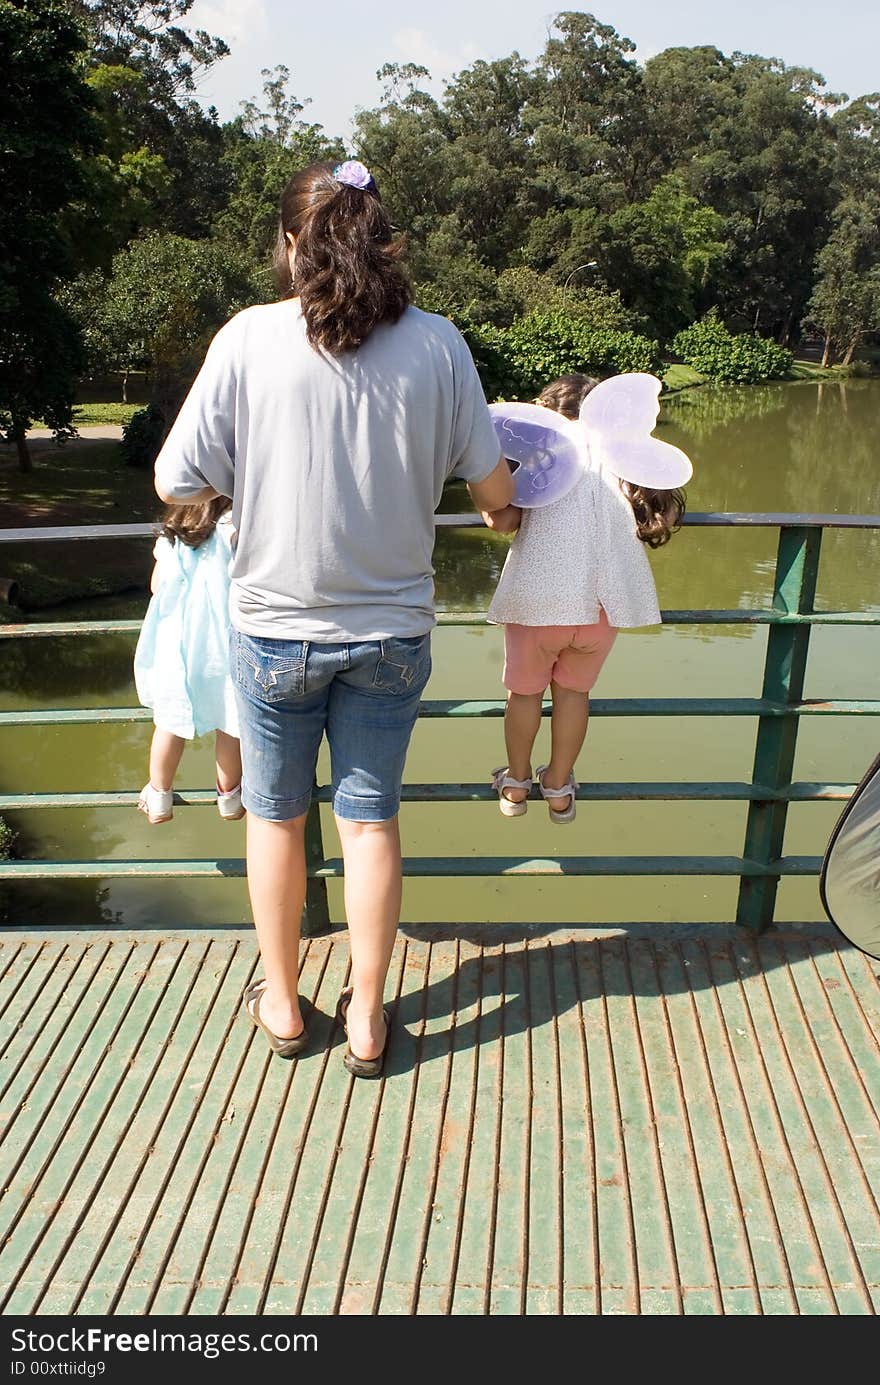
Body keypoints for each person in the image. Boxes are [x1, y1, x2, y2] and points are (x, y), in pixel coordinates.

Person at [152, 159, 512, 1074]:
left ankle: (280, 1002)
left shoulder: (246, 339)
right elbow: (494, 485)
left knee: (275, 818)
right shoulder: (437, 344)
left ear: (288, 244)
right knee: (370, 821)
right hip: (392, 632)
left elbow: (173, 479)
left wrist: (256, 480)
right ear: (382, 242)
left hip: (274, 627)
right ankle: (366, 1013)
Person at [483, 372, 685, 823]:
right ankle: (557, 787)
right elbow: (665, 508)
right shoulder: (623, 457)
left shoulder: (545, 455)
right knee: (574, 695)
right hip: (601, 608)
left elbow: (502, 521)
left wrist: (487, 500)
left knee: (524, 694)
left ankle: (515, 786)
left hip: (539, 603)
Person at [134, 496, 244, 825]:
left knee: (169, 721)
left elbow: (156, 585)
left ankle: (159, 795)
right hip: (220, 643)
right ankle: (229, 798)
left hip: (174, 643)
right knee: (229, 722)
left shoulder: (173, 532)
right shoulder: (233, 525)